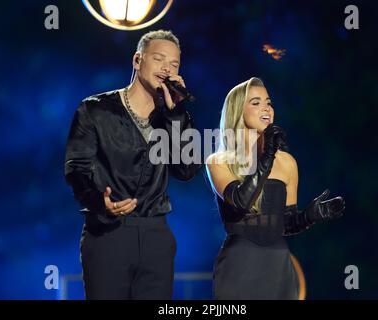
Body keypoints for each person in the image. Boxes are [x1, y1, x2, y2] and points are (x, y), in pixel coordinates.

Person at [64, 30, 201, 299]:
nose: (166, 68)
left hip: (156, 234)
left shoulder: (174, 117)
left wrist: (175, 115)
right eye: (159, 59)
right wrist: (97, 202)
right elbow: (75, 169)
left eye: (174, 64)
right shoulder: (95, 110)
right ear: (137, 60)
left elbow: (186, 170)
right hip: (108, 232)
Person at [205, 77, 345, 299]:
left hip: (278, 267)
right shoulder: (219, 161)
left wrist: (310, 215)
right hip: (239, 266)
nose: (266, 108)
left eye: (268, 102)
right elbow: (242, 201)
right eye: (256, 102)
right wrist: (267, 154)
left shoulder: (287, 162)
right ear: (237, 111)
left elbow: (285, 224)